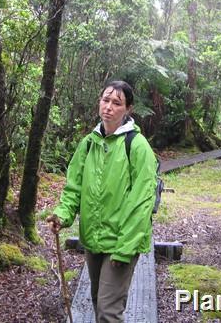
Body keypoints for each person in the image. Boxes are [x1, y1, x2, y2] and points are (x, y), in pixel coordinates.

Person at [47, 80, 157, 323]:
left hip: (121, 242)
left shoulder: (137, 147)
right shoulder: (89, 144)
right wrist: (62, 215)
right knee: (98, 302)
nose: (108, 107)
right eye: (105, 100)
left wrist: (125, 248)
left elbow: (142, 202)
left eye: (117, 103)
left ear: (128, 109)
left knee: (108, 312)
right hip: (93, 238)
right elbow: (74, 187)